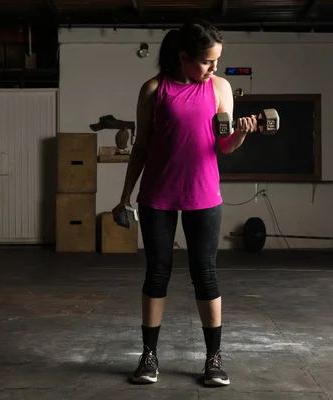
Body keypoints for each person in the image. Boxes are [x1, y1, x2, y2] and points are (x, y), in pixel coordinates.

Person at [112, 20, 257, 387]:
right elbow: (141, 146)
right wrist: (124, 195)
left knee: (204, 274)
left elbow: (223, 146)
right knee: (157, 272)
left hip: (204, 195)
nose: (214, 68)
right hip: (158, 195)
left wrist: (239, 134)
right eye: (207, 61)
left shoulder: (220, 88)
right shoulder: (154, 90)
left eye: (217, 61)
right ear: (183, 57)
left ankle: (214, 359)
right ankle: (148, 356)